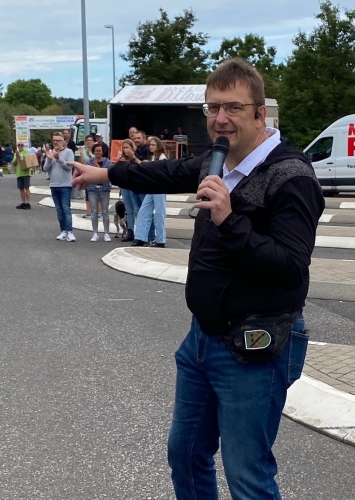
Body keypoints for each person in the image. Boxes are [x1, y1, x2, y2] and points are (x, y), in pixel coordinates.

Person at [69, 58, 324, 499]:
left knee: (247, 475)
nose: (220, 118)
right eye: (212, 108)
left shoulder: (292, 176)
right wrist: (106, 173)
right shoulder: (216, 161)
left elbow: (290, 269)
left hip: (255, 344)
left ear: (260, 114)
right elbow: (165, 173)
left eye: (233, 108)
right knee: (185, 455)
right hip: (202, 338)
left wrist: (229, 218)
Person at [132, 136, 168, 248]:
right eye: (150, 145)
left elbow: (160, 172)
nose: (151, 147)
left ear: (158, 146)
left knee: (159, 213)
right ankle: (140, 237)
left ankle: (161, 239)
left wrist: (147, 166)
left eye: (153, 145)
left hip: (159, 187)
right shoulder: (153, 157)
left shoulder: (162, 158)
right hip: (151, 187)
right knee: (143, 211)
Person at [42, 132, 75, 242]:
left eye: (58, 140)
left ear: (63, 142)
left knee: (66, 209)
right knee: (59, 210)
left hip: (65, 185)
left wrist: (59, 159)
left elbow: (69, 167)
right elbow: (45, 169)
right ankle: (63, 231)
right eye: (54, 140)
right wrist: (49, 159)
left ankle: (70, 231)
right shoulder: (51, 153)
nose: (55, 142)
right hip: (54, 185)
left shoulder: (69, 152)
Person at [85, 143, 112, 242]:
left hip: (104, 189)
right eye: (96, 151)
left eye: (100, 151)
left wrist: (98, 169)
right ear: (93, 152)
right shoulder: (89, 162)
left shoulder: (107, 162)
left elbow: (108, 173)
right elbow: (88, 174)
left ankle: (106, 233)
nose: (98, 153)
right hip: (92, 189)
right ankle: (95, 233)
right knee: (94, 212)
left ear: (102, 151)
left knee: (105, 212)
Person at [11, 142, 32, 209]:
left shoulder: (26, 152)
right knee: (21, 189)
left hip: (26, 173)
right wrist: (17, 157)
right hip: (19, 173)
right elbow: (14, 164)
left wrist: (19, 156)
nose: (20, 146)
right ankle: (23, 202)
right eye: (19, 145)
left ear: (23, 146)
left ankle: (28, 203)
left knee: (26, 188)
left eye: (21, 145)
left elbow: (26, 160)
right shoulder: (15, 154)